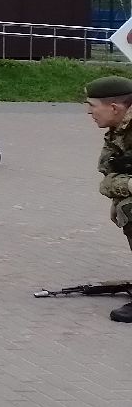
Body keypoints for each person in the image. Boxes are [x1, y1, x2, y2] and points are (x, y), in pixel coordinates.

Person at [83, 76, 132, 322]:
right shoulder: (120, 128)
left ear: (114, 107)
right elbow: (108, 173)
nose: (88, 112)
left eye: (91, 105)